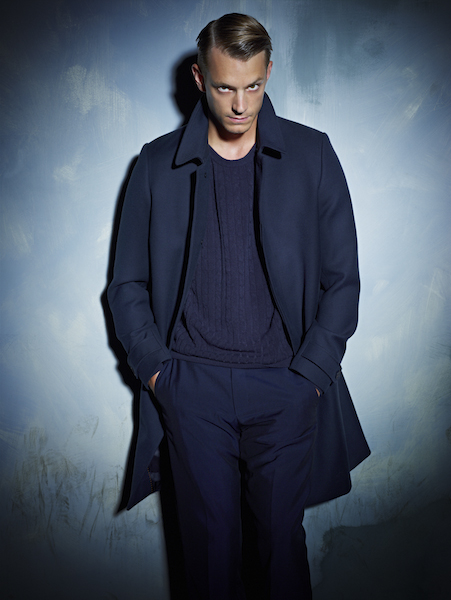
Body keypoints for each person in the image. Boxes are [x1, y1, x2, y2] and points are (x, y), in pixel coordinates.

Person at [108, 13, 370, 600]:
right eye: (226, 86)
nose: (240, 104)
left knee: (280, 559)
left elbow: (343, 282)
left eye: (253, 85)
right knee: (209, 562)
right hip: (192, 390)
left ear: (269, 71)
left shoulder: (313, 154)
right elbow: (127, 285)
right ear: (200, 78)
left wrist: (310, 376)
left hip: (285, 387)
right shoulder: (154, 164)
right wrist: (160, 373)